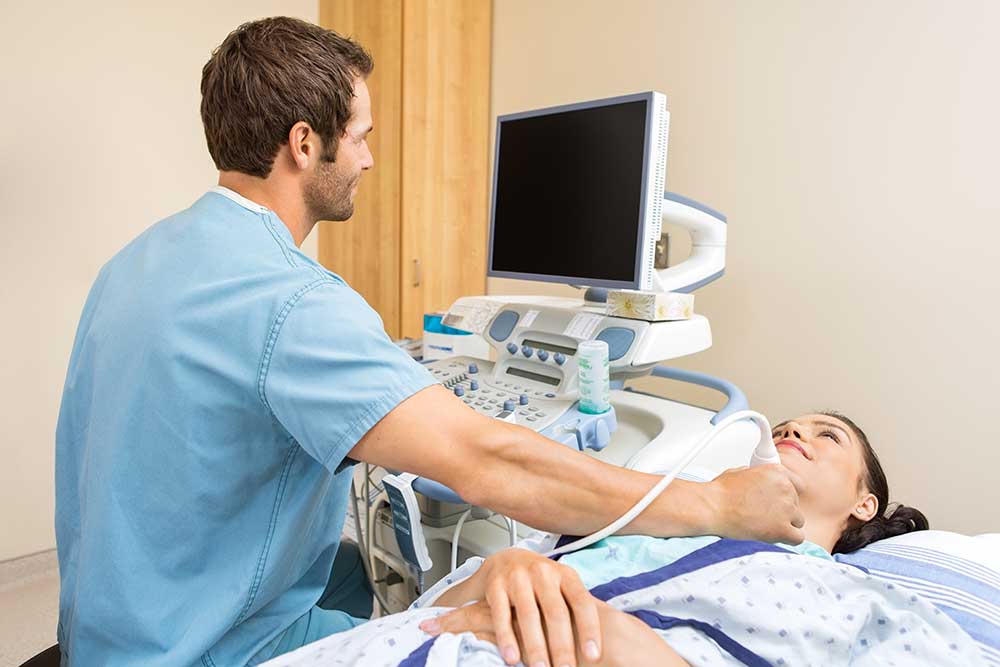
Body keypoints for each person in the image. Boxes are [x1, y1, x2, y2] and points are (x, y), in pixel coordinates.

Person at [54, 17, 806, 667]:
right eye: (360, 137)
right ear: (304, 142)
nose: (370, 160)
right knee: (496, 612)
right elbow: (484, 460)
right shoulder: (292, 300)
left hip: (112, 627)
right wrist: (713, 503)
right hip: (207, 646)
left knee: (373, 570)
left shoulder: (137, 261)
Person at [422, 412, 929, 667]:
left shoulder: (846, 594)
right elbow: (428, 616)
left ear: (866, 504)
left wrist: (605, 635)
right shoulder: (648, 526)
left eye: (828, 436)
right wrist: (498, 568)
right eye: (785, 429)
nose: (794, 431)